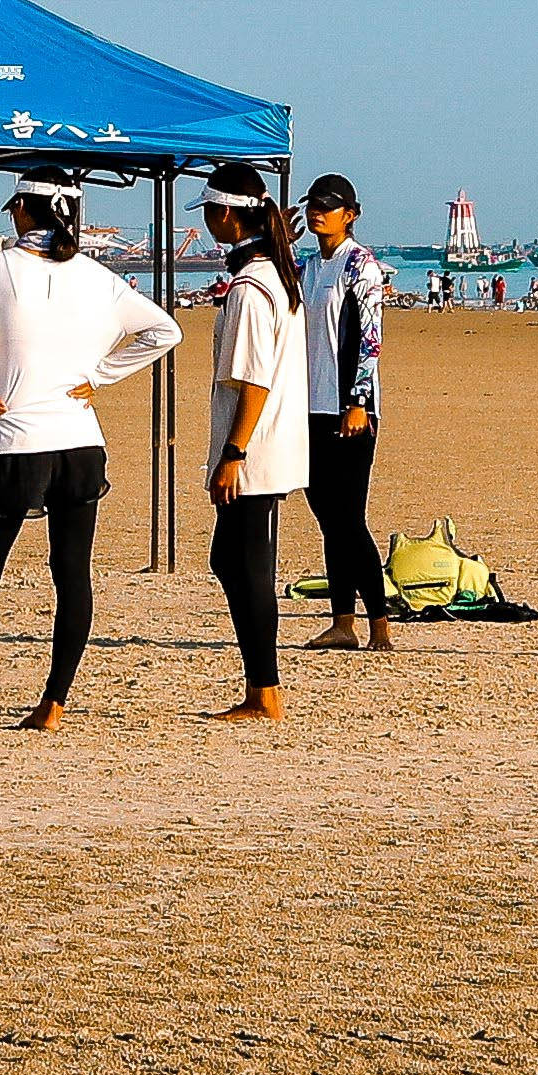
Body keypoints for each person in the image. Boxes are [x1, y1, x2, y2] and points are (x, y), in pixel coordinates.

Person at [0, 184, 174, 732]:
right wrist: (99, 376)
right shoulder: (97, 274)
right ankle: (53, 704)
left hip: (16, 441)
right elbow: (164, 329)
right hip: (81, 445)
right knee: (72, 576)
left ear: (20, 209)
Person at [200, 175, 307, 722]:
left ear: (226, 217)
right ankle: (260, 686)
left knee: (248, 566)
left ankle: (265, 690)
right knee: (232, 560)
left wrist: (234, 452)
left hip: (255, 449)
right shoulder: (274, 277)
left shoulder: (251, 287)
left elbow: (254, 379)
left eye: (209, 212)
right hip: (266, 443)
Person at [300, 177, 399, 653]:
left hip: (349, 408)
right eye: (313, 205)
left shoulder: (361, 265)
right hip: (311, 406)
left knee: (348, 517)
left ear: (350, 213)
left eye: (328, 206)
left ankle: (378, 619)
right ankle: (342, 621)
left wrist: (358, 401)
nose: (318, 212)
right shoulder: (308, 266)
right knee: (324, 513)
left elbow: (370, 339)